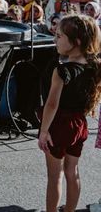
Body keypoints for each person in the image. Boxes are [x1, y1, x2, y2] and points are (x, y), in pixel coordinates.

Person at [38, 14, 101, 212]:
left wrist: (43, 131)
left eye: (59, 36)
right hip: (79, 124)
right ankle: (70, 210)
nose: (55, 40)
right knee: (72, 172)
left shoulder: (61, 70)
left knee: (54, 176)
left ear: (76, 42)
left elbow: (51, 104)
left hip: (59, 125)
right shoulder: (93, 66)